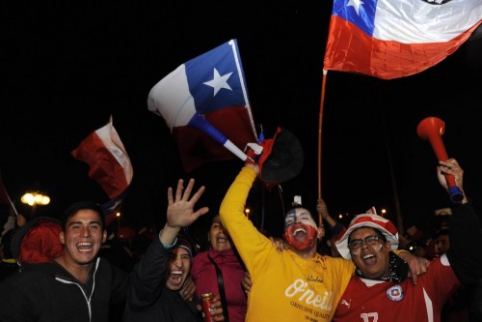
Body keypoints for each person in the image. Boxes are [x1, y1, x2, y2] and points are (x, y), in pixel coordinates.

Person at [219, 159, 425, 321]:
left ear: (318, 232)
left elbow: (372, 257)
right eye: (290, 221)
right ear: (285, 236)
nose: (296, 222)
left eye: (303, 218)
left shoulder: (339, 270)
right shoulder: (266, 255)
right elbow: (229, 213)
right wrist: (250, 169)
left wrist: (405, 255)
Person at [332, 158, 482, 321]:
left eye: (372, 239)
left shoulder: (423, 280)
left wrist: (459, 198)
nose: (365, 246)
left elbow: (468, 256)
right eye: (356, 243)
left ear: (388, 245)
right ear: (351, 254)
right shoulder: (338, 292)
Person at [0, 200, 130, 322]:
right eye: (76, 227)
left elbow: (140, 288)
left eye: (94, 226)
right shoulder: (22, 287)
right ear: (62, 237)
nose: (85, 233)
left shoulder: (106, 272)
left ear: (104, 236)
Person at [123, 178, 225, 322]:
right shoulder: (143, 292)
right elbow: (149, 272)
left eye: (185, 257)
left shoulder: (190, 299)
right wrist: (171, 228)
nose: (178, 263)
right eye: (171, 257)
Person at [191, 214, 247, 322]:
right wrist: (186, 284)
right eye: (216, 226)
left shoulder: (246, 263)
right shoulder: (197, 262)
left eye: (226, 227)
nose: (221, 231)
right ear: (208, 235)